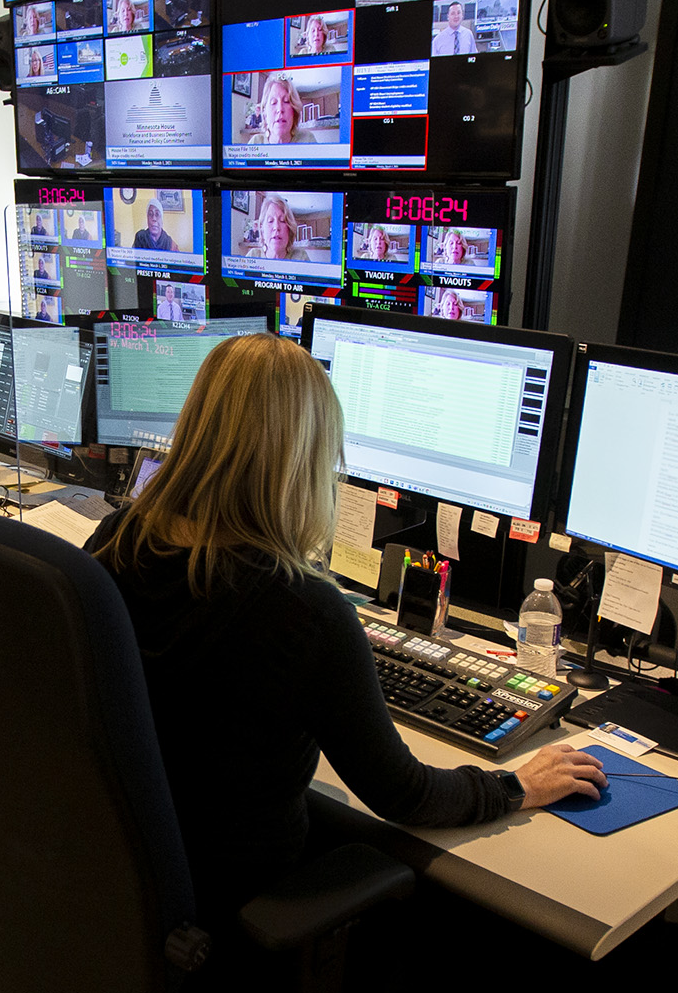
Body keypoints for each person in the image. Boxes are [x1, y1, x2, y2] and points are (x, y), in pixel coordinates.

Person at [86, 333, 604, 944]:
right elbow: (406, 795)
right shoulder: (303, 609)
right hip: (240, 911)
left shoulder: (117, 541)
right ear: (304, 458)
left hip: (124, 888)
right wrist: (516, 785)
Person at [249, 74, 311, 144]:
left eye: (286, 101)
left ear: (294, 112)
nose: (280, 109)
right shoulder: (255, 142)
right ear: (265, 113)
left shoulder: (307, 140)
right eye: (273, 103)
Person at [244, 194, 308, 261]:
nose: (276, 227)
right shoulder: (253, 256)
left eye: (282, 221)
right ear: (262, 229)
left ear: (289, 229)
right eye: (270, 221)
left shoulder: (301, 257)